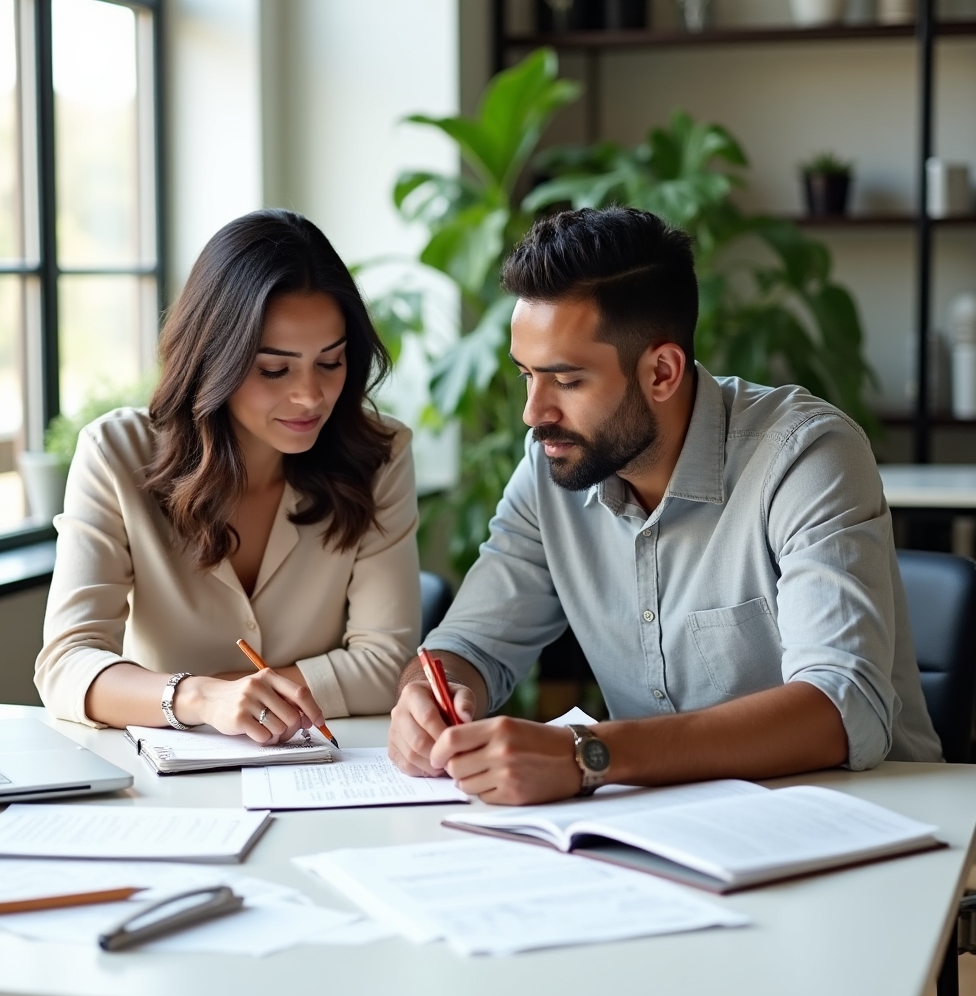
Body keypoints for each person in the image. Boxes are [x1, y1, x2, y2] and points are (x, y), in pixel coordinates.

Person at [388, 206, 941, 805]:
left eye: (567, 381)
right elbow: (468, 648)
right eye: (526, 375)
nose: (534, 412)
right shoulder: (553, 466)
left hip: (869, 827)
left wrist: (589, 755)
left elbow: (840, 704)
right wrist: (427, 696)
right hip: (666, 834)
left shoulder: (805, 456)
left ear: (662, 371)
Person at [36, 209, 420, 742]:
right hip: (163, 785)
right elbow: (66, 665)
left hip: (326, 771)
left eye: (330, 363)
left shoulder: (378, 455)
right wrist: (199, 698)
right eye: (274, 369)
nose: (310, 396)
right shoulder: (115, 454)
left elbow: (386, 663)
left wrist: (248, 694)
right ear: (214, 359)